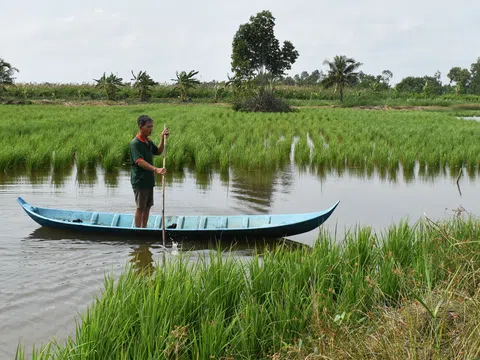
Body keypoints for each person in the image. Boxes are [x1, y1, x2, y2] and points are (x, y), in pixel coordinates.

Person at [129, 115, 169, 228]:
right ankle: (138, 231)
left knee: (147, 207)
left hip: (148, 180)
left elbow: (158, 151)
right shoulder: (135, 143)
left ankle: (144, 228)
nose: (151, 129)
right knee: (140, 207)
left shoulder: (148, 141)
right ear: (141, 127)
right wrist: (156, 169)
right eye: (148, 127)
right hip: (140, 180)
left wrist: (163, 138)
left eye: (152, 126)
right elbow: (139, 161)